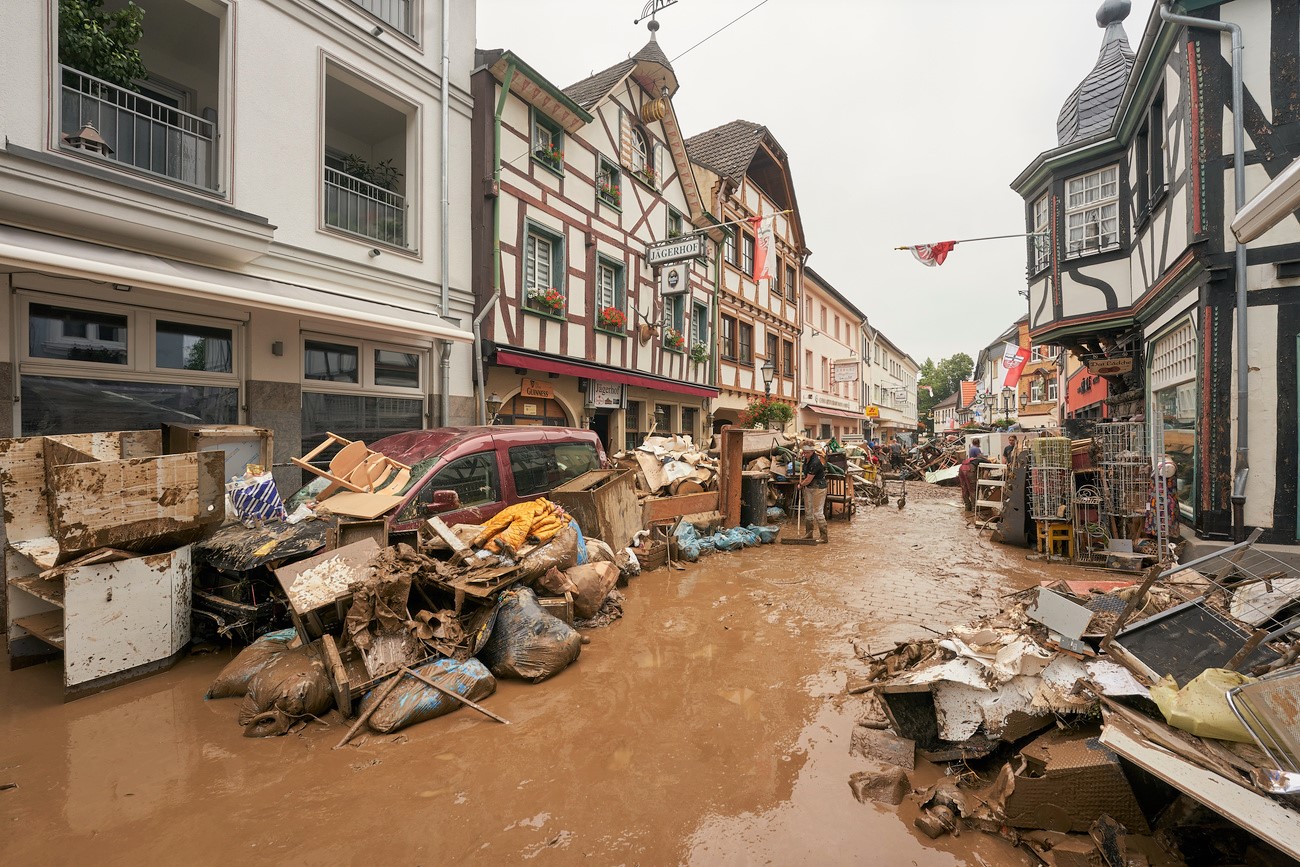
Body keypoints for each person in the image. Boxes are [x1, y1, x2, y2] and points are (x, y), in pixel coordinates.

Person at [796, 441, 829, 543]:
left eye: (807, 453)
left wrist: (801, 484)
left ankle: (824, 536)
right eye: (804, 452)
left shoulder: (815, 462)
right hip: (809, 488)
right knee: (808, 511)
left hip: (818, 487)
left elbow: (808, 479)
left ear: (812, 451)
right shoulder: (806, 459)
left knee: (818, 512)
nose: (805, 455)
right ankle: (809, 533)